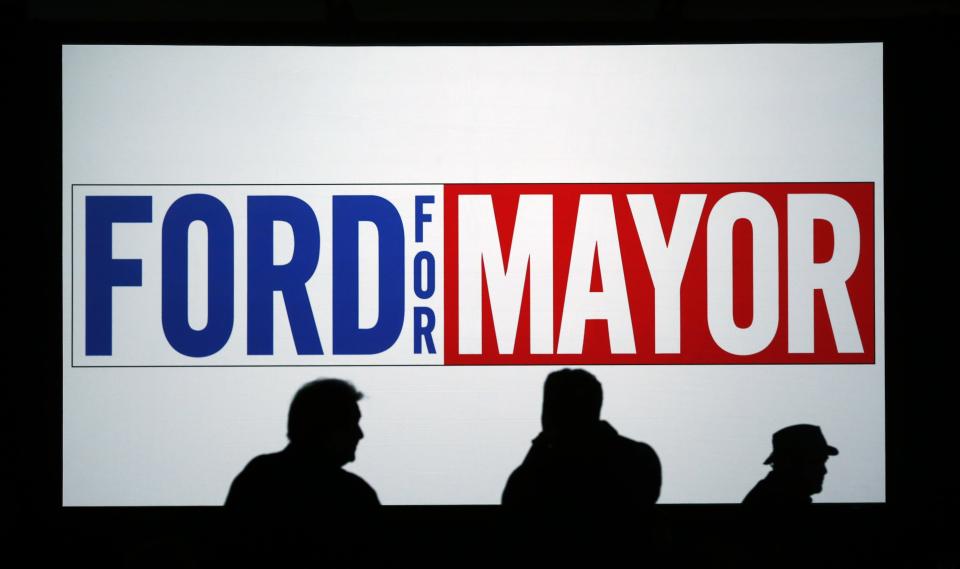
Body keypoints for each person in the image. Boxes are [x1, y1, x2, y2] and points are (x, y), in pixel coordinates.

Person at [501, 368, 661, 507]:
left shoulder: (536, 477)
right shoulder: (639, 459)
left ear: (549, 415)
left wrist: (541, 445)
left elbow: (513, 505)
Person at [225, 378, 379, 510]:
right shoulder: (353, 493)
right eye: (350, 424)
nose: (359, 434)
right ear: (322, 427)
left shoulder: (258, 477)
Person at [743, 424, 838, 506]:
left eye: (822, 462)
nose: (824, 471)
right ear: (790, 463)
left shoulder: (769, 494)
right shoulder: (770, 500)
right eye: (814, 462)